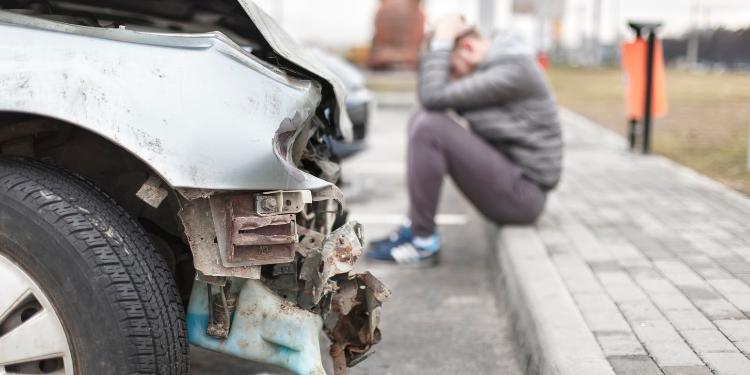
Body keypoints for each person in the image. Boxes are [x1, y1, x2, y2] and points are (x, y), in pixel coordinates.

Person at [366, 15, 562, 266]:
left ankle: (422, 241)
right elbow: (433, 99)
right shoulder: (503, 63)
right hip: (513, 181)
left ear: (468, 48)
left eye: (453, 71)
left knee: (430, 125)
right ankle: (415, 226)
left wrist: (442, 41)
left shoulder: (513, 69)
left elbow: (433, 95)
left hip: (524, 196)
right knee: (423, 118)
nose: (453, 81)